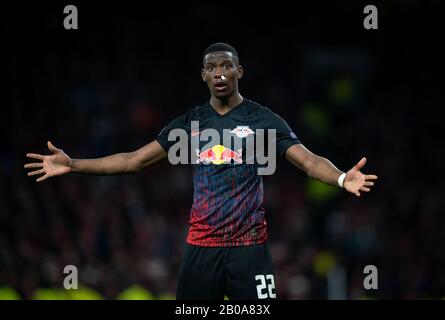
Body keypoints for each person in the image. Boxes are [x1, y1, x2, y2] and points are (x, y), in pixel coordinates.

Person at [24, 42, 378, 300]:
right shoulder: (189, 124)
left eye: (226, 65)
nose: (219, 72)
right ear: (203, 76)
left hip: (249, 249)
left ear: (239, 72)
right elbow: (132, 161)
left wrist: (343, 178)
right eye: (212, 67)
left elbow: (309, 161)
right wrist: (73, 164)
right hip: (201, 250)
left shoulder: (263, 120)